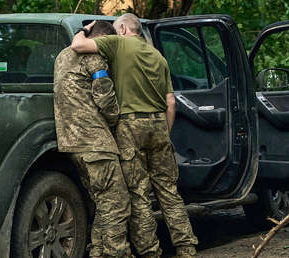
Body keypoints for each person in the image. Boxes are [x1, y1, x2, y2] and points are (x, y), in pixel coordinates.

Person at [71, 14, 198, 258]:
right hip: (159, 126)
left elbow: (78, 45)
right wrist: (164, 134)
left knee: (139, 194)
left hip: (129, 127)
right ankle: (186, 247)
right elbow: (171, 103)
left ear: (122, 29)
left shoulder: (119, 43)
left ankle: (151, 251)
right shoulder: (159, 57)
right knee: (169, 192)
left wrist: (84, 28)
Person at [53, 21, 132, 258]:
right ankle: (117, 254)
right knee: (118, 203)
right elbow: (105, 99)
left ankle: (98, 251)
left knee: (102, 202)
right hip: (95, 143)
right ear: (101, 41)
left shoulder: (61, 56)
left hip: (70, 142)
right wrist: (116, 119)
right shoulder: (95, 58)